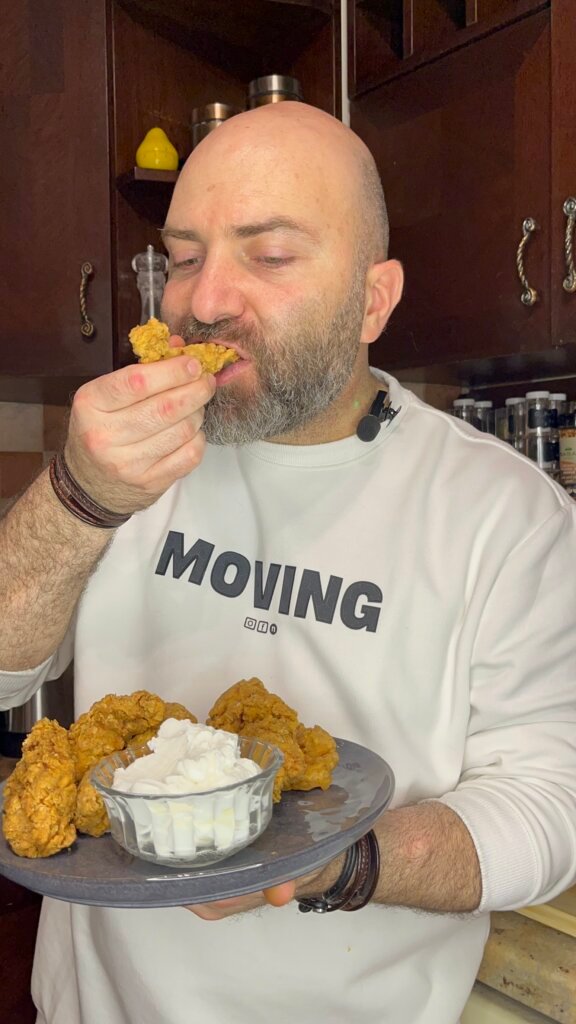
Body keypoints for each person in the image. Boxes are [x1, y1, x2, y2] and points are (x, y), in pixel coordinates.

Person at [0, 101, 575, 1024]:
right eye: (185, 257)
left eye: (267, 256)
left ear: (374, 299)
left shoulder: (506, 517)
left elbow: (552, 806)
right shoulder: (119, 457)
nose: (204, 300)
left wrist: (340, 863)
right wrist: (78, 495)